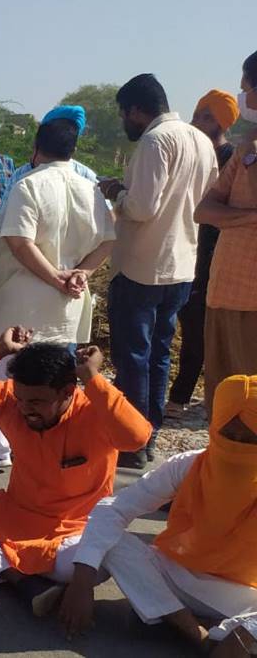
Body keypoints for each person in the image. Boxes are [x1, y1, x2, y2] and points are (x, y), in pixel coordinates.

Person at [0, 327, 150, 616]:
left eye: (37, 402)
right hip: (11, 516)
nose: (26, 410)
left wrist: (92, 378)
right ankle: (22, 581)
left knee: (97, 564)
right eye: (22, 399)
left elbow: (137, 438)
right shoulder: (10, 401)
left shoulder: (96, 410)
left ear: (67, 391)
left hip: (70, 532)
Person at [59, 374, 257, 656]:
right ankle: (195, 632)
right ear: (214, 428)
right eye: (229, 435)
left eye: (249, 439)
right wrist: (82, 582)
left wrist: (249, 632)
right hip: (173, 575)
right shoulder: (190, 465)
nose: (236, 446)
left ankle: (171, 618)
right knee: (113, 541)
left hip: (240, 595)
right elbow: (114, 508)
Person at [0, 115, 117, 467]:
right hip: (67, 300)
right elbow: (109, 240)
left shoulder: (29, 185)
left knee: (5, 367)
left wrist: (55, 276)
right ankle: (50, 441)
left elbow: (20, 242)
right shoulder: (89, 189)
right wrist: (80, 273)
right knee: (56, 372)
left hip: (23, 293)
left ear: (36, 149)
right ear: (74, 150)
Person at [98, 74, 218, 468]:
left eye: (123, 114)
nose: (124, 122)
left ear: (136, 110)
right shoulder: (200, 140)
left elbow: (142, 208)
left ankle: (133, 441)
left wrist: (115, 191)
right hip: (182, 265)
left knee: (133, 356)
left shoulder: (155, 140)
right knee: (158, 354)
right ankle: (147, 433)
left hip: (142, 265)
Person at [167, 90, 238, 418]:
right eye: (197, 114)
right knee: (191, 326)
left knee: (199, 330)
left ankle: (183, 397)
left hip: (217, 257)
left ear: (222, 123)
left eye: (207, 117)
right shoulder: (194, 152)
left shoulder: (232, 158)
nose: (197, 121)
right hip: (185, 250)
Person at [194, 52, 257, 418]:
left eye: (246, 87)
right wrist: (248, 216)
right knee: (227, 401)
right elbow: (205, 209)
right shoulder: (248, 146)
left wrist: (233, 217)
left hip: (250, 300)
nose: (244, 95)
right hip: (226, 293)